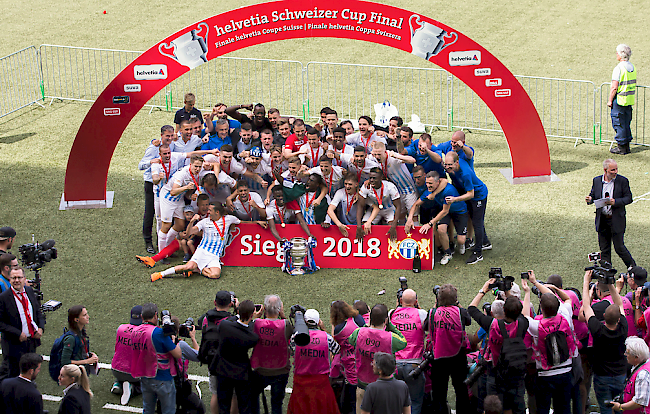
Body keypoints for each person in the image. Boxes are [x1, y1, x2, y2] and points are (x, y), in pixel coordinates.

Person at [469, 279, 530, 414]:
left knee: (495, 409)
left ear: (504, 310)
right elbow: (524, 314)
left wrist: (483, 290)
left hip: (496, 374)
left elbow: (472, 309)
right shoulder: (522, 324)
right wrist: (525, 293)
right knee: (518, 408)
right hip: (516, 374)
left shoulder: (492, 325)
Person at [522, 272, 577, 414]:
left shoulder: (536, 326)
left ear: (542, 308)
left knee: (543, 409)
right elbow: (566, 298)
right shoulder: (565, 314)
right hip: (566, 371)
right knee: (564, 408)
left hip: (545, 375)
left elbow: (524, 316)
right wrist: (553, 288)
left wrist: (527, 292)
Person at [151, 202, 240, 281]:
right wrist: (192, 221)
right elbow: (189, 233)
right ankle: (161, 274)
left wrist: (254, 222)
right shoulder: (204, 222)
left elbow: (241, 222)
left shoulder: (229, 219)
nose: (208, 212)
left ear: (217, 212)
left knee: (215, 275)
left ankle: (198, 269)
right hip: (202, 251)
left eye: (210, 210)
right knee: (188, 266)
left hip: (215, 256)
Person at [582, 270, 628, 414]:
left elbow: (586, 307)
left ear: (603, 316)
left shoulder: (597, 328)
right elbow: (619, 302)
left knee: (605, 409)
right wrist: (610, 284)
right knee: (620, 408)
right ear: (619, 319)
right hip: (621, 374)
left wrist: (585, 282)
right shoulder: (623, 327)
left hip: (602, 376)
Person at [349, 304, 407, 413]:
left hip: (363, 385)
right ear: (385, 320)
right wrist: (390, 326)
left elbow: (350, 340)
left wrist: (366, 327)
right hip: (385, 389)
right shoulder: (391, 338)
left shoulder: (358, 333)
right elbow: (403, 342)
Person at [131, 303, 182, 414]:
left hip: (144, 376)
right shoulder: (159, 333)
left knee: (148, 409)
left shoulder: (134, 331)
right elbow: (178, 354)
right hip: (162, 377)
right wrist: (173, 338)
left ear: (142, 317)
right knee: (168, 411)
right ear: (155, 315)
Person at [428, 284, 472, 414]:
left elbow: (427, 326)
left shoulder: (433, 313)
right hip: (458, 356)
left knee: (439, 393)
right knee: (461, 390)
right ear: (455, 299)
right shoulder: (461, 312)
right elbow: (468, 320)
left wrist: (437, 306)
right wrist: (457, 304)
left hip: (438, 357)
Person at [287, 309, 341, 414]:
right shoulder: (327, 338)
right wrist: (324, 329)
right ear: (318, 322)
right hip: (321, 383)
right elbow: (337, 350)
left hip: (301, 382)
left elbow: (291, 352)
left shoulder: (295, 337)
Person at [213, 300, 262, 414]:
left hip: (223, 371)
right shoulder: (252, 337)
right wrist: (253, 319)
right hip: (241, 374)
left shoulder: (224, 325)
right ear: (251, 315)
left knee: (223, 406)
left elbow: (233, 323)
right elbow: (247, 329)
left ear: (238, 312)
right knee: (244, 406)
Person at [586, 159, 635, 268]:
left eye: (616, 169)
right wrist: (589, 199)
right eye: (613, 170)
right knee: (604, 249)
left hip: (616, 220)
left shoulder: (623, 181)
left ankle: (633, 268)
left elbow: (629, 198)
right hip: (602, 220)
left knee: (619, 248)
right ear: (605, 170)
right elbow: (593, 195)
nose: (615, 172)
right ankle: (606, 273)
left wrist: (615, 202)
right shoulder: (597, 181)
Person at [444, 151, 491, 264]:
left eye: (450, 165)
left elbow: (471, 194)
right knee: (474, 219)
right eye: (446, 164)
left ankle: (478, 253)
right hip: (468, 194)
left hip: (478, 196)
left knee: (477, 222)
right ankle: (485, 242)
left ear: (457, 162)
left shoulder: (465, 173)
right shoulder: (452, 168)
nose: (447, 167)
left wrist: (455, 199)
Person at [250, 295, 294, 414]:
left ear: (264, 308)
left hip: (260, 369)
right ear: (279, 309)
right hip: (281, 370)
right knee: (277, 403)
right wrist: (283, 315)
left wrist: (255, 317)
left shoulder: (257, 323)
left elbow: (247, 328)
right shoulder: (285, 325)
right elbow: (294, 332)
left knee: (252, 397)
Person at [0, 266, 44, 380]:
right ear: (9, 280)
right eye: (14, 278)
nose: (16, 280)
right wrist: (17, 333)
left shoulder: (29, 291)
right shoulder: (3, 298)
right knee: (14, 376)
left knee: (30, 373)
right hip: (14, 345)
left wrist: (40, 328)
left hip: (31, 342)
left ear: (24, 279)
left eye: (19, 277)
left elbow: (37, 311)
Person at [198, 291, 237, 414]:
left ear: (215, 302)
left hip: (213, 360)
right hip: (230, 362)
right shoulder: (233, 320)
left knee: (215, 393)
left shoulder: (205, 318)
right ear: (230, 303)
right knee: (234, 394)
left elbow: (200, 323)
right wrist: (237, 308)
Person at [389, 289, 428, 414]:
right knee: (415, 402)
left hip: (395, 364)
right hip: (414, 364)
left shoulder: (392, 313)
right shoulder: (422, 314)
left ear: (400, 301)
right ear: (416, 301)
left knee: (395, 401)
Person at [331, 300, 367, 414]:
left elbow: (334, 341)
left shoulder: (338, 329)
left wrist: (333, 324)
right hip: (363, 364)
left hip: (349, 368)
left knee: (352, 403)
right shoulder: (358, 319)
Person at [356, 168, 402, 242]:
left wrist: (394, 225)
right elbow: (360, 206)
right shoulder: (366, 186)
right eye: (370, 178)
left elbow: (398, 206)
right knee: (365, 226)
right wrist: (358, 226)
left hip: (389, 209)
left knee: (392, 227)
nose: (371, 180)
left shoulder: (390, 187)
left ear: (381, 178)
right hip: (374, 209)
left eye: (374, 178)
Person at [111, 305, 143, 405]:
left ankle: (118, 383)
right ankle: (133, 388)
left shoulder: (120, 328)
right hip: (134, 375)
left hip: (115, 370)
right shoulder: (145, 333)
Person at [608, 44, 636, 155]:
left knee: (618, 123)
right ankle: (626, 146)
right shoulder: (632, 67)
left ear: (621, 54)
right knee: (626, 123)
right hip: (629, 99)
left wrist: (610, 100)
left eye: (617, 52)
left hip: (619, 99)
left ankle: (621, 147)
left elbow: (614, 86)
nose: (616, 54)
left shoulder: (619, 68)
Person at [612, 337, 650, 412]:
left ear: (636, 357)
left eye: (627, 353)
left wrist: (620, 407)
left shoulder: (643, 374)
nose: (625, 354)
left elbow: (639, 401)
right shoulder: (642, 364)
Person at [61, 306, 98, 375]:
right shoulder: (71, 338)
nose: (88, 317)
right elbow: (65, 361)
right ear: (76, 319)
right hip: (75, 375)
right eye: (84, 315)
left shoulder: (81, 333)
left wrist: (90, 355)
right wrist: (87, 361)